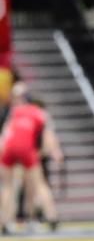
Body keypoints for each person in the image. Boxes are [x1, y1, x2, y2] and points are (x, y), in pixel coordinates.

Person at [0, 84, 61, 233]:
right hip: (27, 149)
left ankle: (5, 221)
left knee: (9, 186)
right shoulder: (39, 113)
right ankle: (51, 216)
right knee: (39, 184)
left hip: (11, 149)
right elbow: (49, 135)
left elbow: (5, 135)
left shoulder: (14, 112)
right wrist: (54, 151)